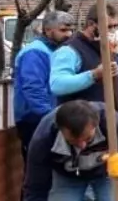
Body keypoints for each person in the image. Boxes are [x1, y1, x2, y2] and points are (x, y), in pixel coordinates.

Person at [12, 11, 75, 162]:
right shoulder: (35, 52)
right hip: (36, 119)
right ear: (47, 30)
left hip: (50, 116)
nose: (69, 34)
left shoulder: (56, 51)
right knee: (38, 167)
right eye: (63, 30)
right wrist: (51, 118)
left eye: (70, 30)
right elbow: (34, 89)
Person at [50, 3, 118, 107]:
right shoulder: (70, 50)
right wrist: (94, 75)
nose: (113, 31)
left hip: (106, 117)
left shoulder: (107, 48)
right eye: (109, 27)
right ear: (91, 24)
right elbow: (57, 85)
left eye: (115, 26)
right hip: (78, 118)